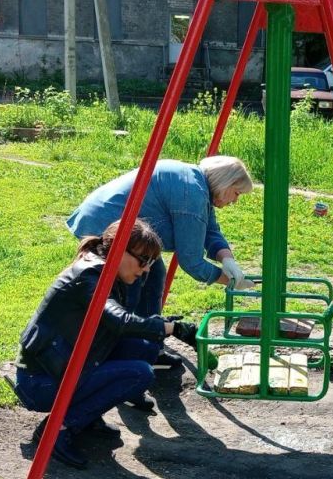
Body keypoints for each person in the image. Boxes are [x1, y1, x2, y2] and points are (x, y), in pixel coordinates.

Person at [12, 219, 200, 468]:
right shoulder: (90, 275)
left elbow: (123, 323)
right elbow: (119, 320)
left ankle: (86, 416)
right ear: (120, 249)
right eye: (143, 261)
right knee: (138, 374)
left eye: (151, 263)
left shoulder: (111, 273)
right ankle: (57, 430)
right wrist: (170, 328)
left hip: (66, 365)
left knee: (144, 348)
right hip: (41, 382)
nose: (146, 270)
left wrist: (160, 325)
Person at [67, 156, 255, 367]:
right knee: (133, 288)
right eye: (236, 193)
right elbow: (191, 261)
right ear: (224, 182)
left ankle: (148, 348)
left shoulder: (197, 183)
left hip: (116, 222)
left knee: (153, 277)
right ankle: (125, 357)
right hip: (107, 225)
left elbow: (210, 229)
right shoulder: (191, 194)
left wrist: (227, 260)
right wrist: (230, 281)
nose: (235, 201)